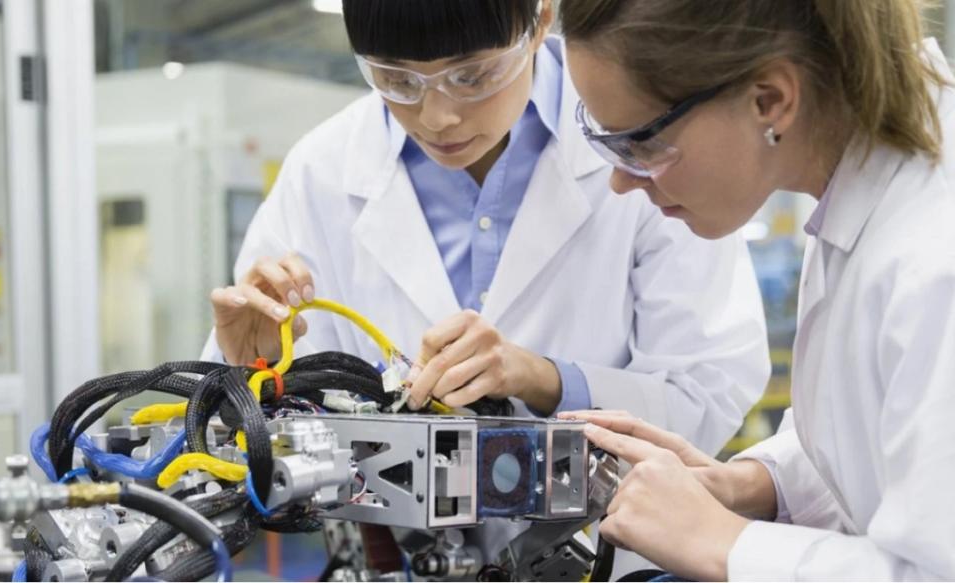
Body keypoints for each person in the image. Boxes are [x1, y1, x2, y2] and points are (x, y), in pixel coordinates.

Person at [203, 0, 771, 567]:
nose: (436, 115)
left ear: (541, 18)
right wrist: (249, 369)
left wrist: (543, 379)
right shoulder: (320, 171)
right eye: (396, 78)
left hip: (609, 555)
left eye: (472, 75)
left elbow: (709, 387)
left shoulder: (636, 138)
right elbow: (261, 439)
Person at [556, 0, 955, 579]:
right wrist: (746, 484)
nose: (620, 181)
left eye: (639, 143)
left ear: (771, 100)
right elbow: (890, 448)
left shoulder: (934, 254)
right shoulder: (861, 184)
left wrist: (724, 543)